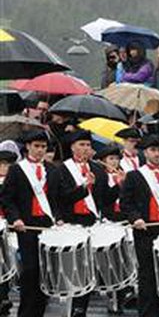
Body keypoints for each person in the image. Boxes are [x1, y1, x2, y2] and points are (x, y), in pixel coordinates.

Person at [120, 134, 159, 317]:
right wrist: (135, 219)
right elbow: (126, 203)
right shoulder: (134, 176)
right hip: (145, 231)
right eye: (153, 150)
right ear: (145, 152)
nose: (157, 154)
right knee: (148, 276)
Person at [0, 131, 59, 317]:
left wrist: (82, 189)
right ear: (28, 147)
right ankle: (25, 313)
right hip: (26, 227)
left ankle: (39, 312)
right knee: (30, 270)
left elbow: (60, 198)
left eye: (43, 147)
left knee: (45, 272)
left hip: (47, 227)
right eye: (37, 146)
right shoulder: (18, 170)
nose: (40, 150)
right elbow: (7, 199)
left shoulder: (52, 170)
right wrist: (15, 218)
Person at [56, 130, 107, 317]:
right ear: (72, 147)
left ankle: (80, 307)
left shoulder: (98, 169)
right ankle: (69, 306)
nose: (86, 149)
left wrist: (118, 186)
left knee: (86, 267)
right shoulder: (61, 169)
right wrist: (83, 189)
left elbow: (105, 200)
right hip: (71, 222)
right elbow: (61, 197)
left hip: (91, 223)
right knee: (72, 267)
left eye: (88, 145)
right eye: (81, 145)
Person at [0, 150, 16, 316]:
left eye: (8, 165)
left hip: (9, 227)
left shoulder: (13, 183)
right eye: (2, 164)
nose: (5, 167)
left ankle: (4, 296)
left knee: (6, 262)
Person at [95, 144, 126, 222]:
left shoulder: (124, 175)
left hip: (124, 213)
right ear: (103, 161)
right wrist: (119, 185)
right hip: (108, 215)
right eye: (111, 158)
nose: (114, 161)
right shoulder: (100, 176)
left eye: (117, 159)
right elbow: (104, 198)